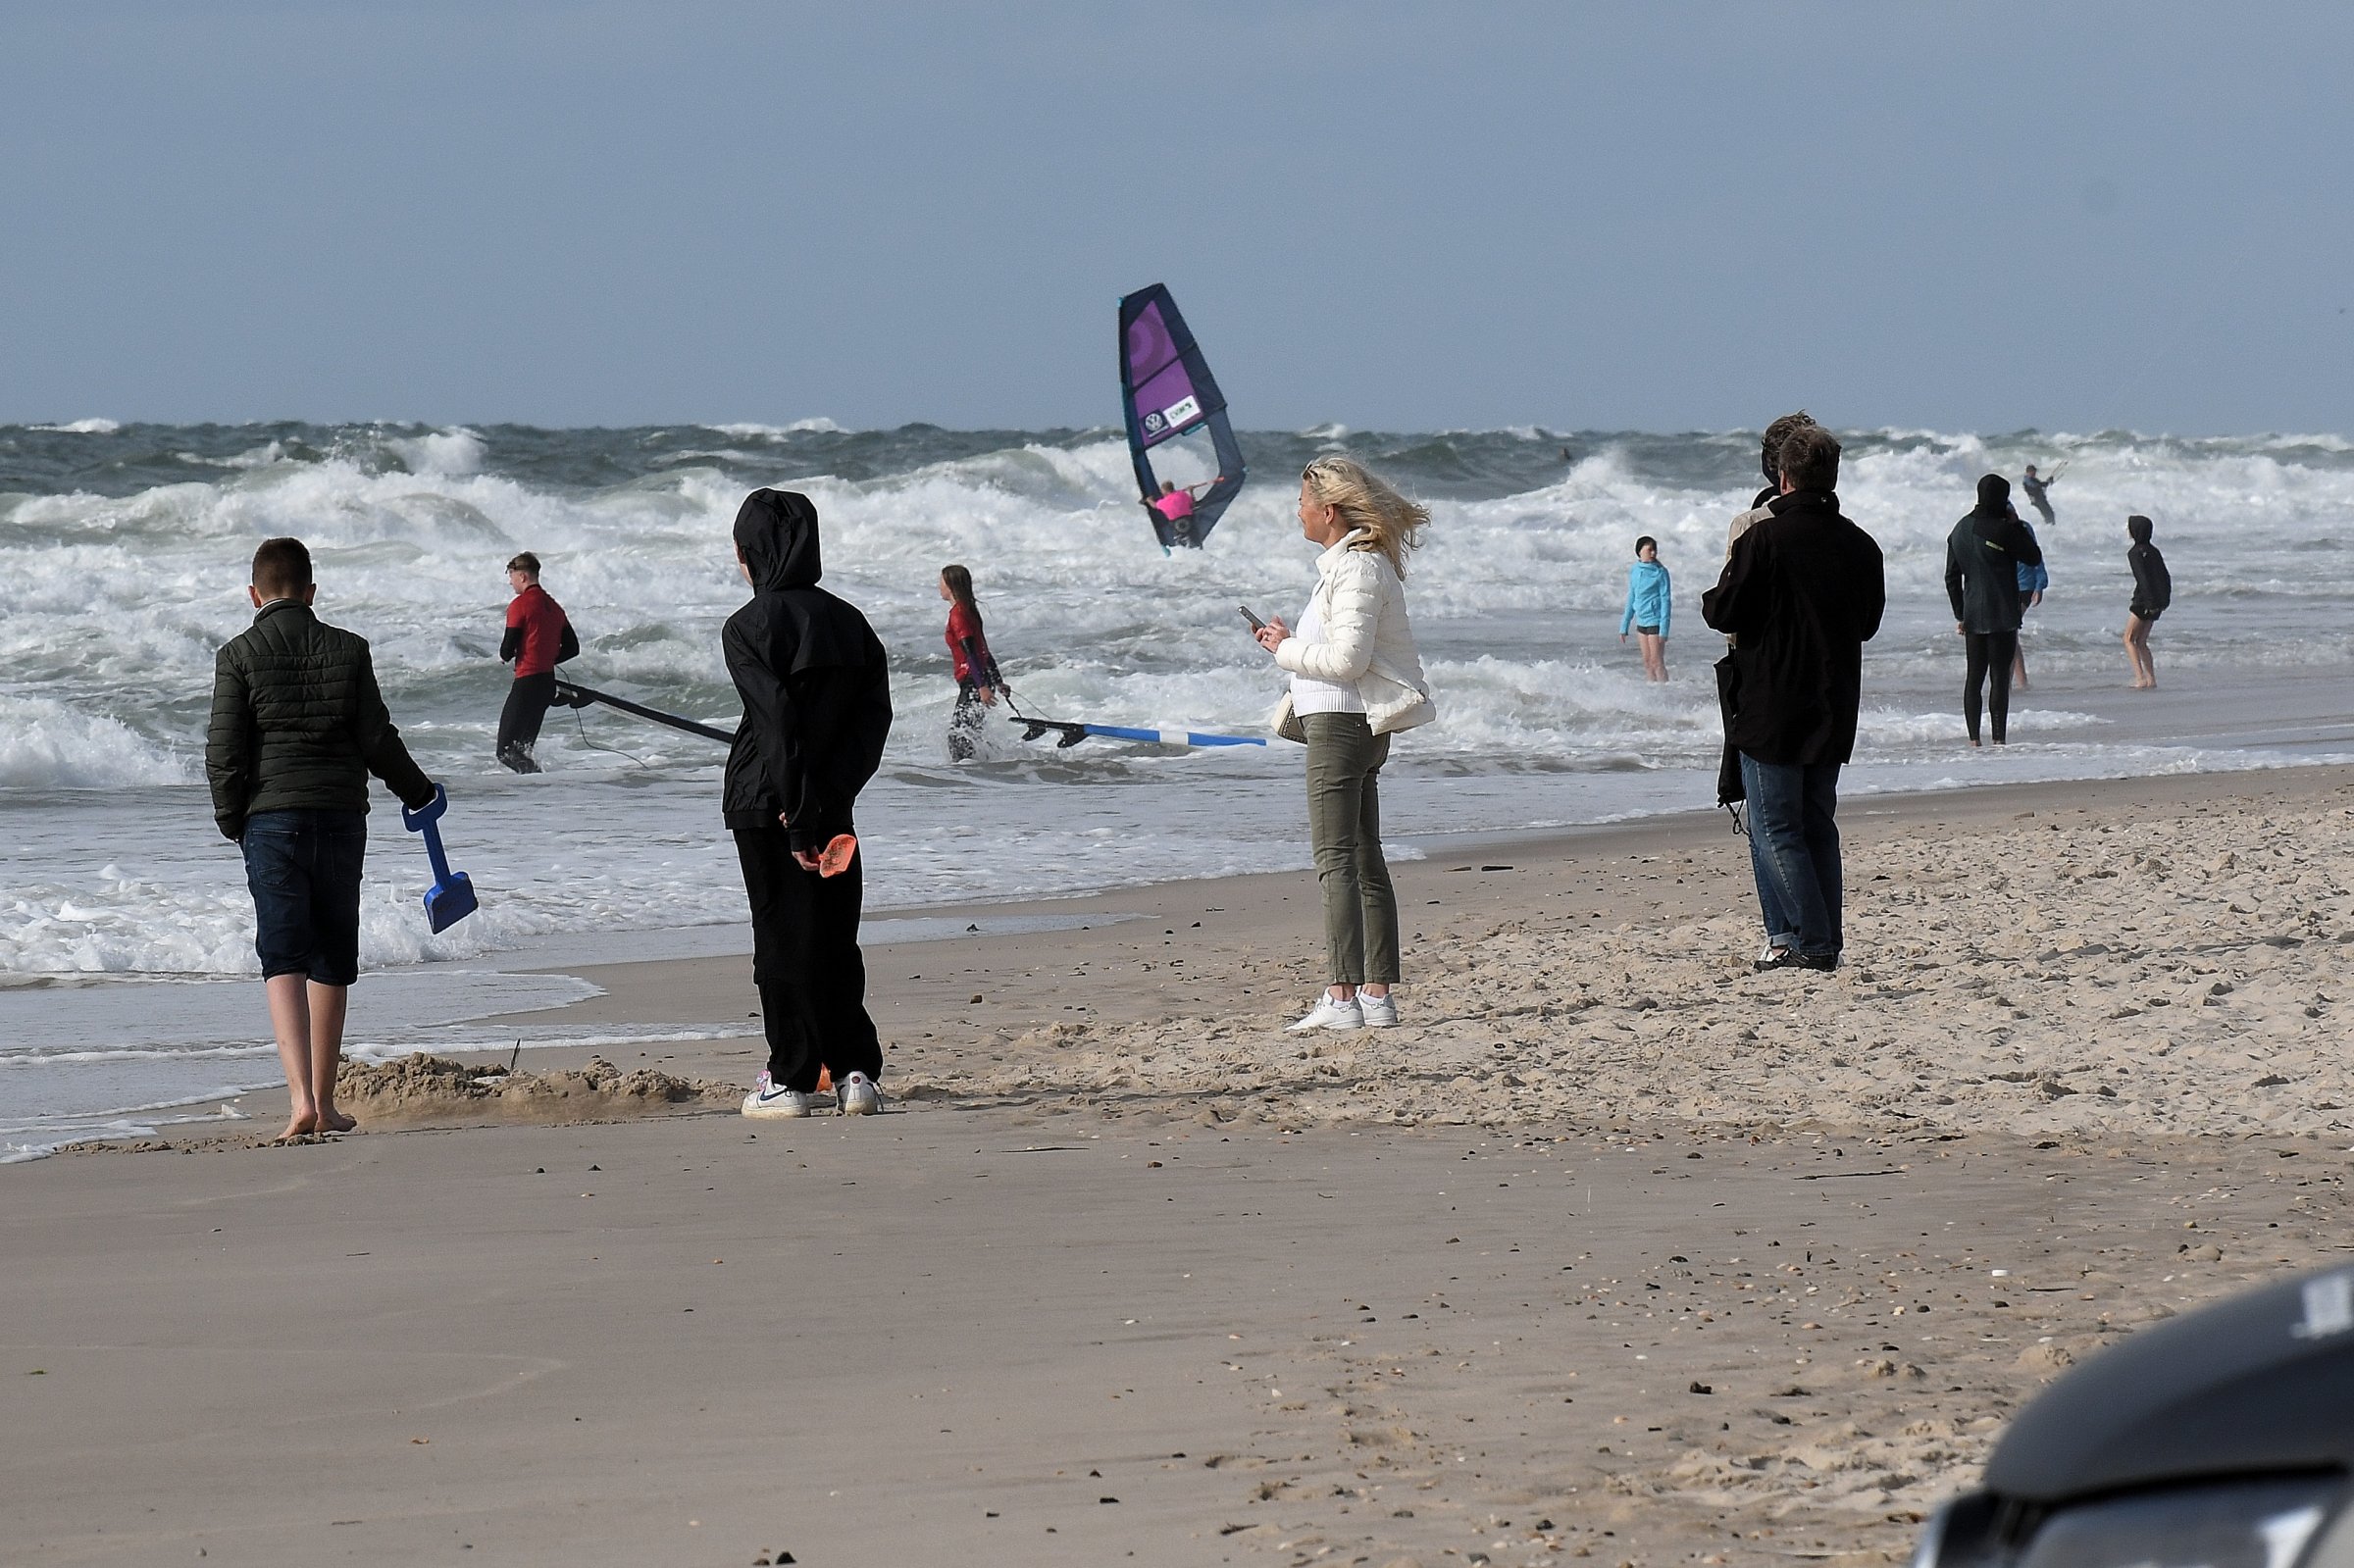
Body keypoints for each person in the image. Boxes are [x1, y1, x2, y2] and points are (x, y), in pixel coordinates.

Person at [205, 536, 440, 1140]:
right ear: (311, 592)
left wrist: (234, 819)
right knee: (333, 953)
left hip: (272, 819)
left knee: (281, 953)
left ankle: (300, 1100)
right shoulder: (349, 648)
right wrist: (418, 792)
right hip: (340, 817)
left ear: (253, 595)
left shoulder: (237, 653)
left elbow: (224, 752)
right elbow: (377, 740)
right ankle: (329, 1102)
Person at [725, 489, 896, 1119]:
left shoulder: (747, 625)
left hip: (767, 807)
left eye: (741, 548)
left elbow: (775, 723)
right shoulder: (852, 623)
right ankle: (855, 1074)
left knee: (780, 939)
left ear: (756, 552)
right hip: (832, 805)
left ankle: (791, 1078)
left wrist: (797, 815)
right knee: (832, 937)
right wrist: (830, 797)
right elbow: (873, 722)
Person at [1253, 456, 1436, 1031]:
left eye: (1302, 504)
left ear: (1327, 511)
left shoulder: (1356, 568)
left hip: (1341, 725)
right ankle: (1376, 996)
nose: (1297, 513)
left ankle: (1341, 996)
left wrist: (1283, 651)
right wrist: (1287, 640)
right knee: (1361, 856)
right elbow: (1344, 651)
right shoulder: (1349, 567)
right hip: (1350, 723)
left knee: (1336, 861)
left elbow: (1346, 661)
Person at [1701, 426, 1885, 973]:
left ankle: (1813, 939)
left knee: (1776, 826)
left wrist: (1715, 593)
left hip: (1769, 702)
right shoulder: (1860, 544)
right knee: (1815, 823)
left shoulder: (1763, 540)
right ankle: (1809, 936)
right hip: (1833, 700)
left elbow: (1722, 613)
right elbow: (1867, 624)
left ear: (1782, 477)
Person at [1944, 475, 2044, 746]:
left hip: (1973, 614)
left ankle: (1974, 740)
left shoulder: (1959, 529)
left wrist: (1960, 614)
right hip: (2002, 613)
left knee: (1974, 677)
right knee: (2000, 678)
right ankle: (1999, 740)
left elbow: (1951, 577)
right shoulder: (2002, 529)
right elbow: (2033, 556)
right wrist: (2017, 525)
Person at [496, 551, 577, 773]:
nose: (510, 582)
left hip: (527, 684)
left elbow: (507, 649)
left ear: (522, 576)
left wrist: (506, 657)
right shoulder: (554, 607)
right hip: (546, 685)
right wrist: (547, 657)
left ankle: (539, 783)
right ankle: (536, 795)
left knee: (505, 751)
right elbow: (573, 648)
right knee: (522, 750)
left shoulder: (520, 605)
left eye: (511, 576)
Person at [939, 564, 1003, 762]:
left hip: (973, 681)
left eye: (940, 582)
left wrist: (982, 686)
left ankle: (970, 779)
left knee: (958, 737)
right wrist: (997, 681)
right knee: (969, 735)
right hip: (979, 679)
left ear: (950, 585)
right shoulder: (969, 611)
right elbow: (983, 650)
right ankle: (983, 769)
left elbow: (971, 653)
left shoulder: (958, 614)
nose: (938, 586)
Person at [2124, 513, 2171, 689]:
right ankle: (2151, 679)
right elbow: (2165, 577)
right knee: (2141, 640)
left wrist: (2150, 603)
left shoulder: (2134, 553)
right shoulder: (2154, 550)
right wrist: (2163, 601)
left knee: (2128, 639)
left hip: (2144, 601)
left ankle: (2140, 678)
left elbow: (2142, 579)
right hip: (2158, 600)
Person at [1618, 535, 1672, 682]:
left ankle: (1665, 691)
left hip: (1655, 621)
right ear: (1640, 551)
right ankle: (1652, 692)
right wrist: (1624, 625)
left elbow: (1666, 601)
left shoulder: (1661, 572)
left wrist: (1664, 630)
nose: (1653, 553)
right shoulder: (1635, 570)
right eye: (1650, 550)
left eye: (1655, 550)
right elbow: (1632, 597)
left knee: (1657, 662)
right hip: (1641, 622)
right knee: (1647, 662)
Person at [2012, 512, 2048, 690]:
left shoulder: (2024, 527)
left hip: (2025, 586)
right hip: (2004, 586)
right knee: (2011, 636)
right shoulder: (1993, 529)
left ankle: (2008, 684)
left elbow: (2036, 555)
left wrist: (2040, 584)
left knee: (2009, 633)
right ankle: (2022, 682)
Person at [1146, 478, 1221, 546]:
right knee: (1196, 543)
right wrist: (1191, 491)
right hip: (1189, 521)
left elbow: (1154, 505)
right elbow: (1193, 504)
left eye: (1162, 490)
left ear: (1165, 491)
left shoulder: (1162, 502)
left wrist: (1149, 500)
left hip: (1176, 525)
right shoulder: (1182, 494)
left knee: (1181, 544)